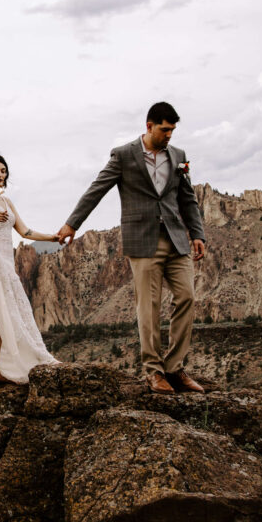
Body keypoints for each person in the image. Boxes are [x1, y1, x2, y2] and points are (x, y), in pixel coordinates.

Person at [56, 102, 207, 395]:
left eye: (173, 130)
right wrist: (72, 224)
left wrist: (197, 233)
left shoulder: (178, 156)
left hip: (176, 239)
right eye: (165, 129)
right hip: (143, 241)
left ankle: (175, 368)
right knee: (148, 308)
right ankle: (154, 371)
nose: (169, 136)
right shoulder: (124, 155)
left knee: (187, 297)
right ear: (149, 126)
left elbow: (187, 197)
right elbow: (96, 189)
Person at [0, 153, 60, 395]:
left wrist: (53, 237)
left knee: (3, 316)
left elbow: (25, 231)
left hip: (7, 266)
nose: (0, 175)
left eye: (3, 171)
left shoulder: (7, 202)